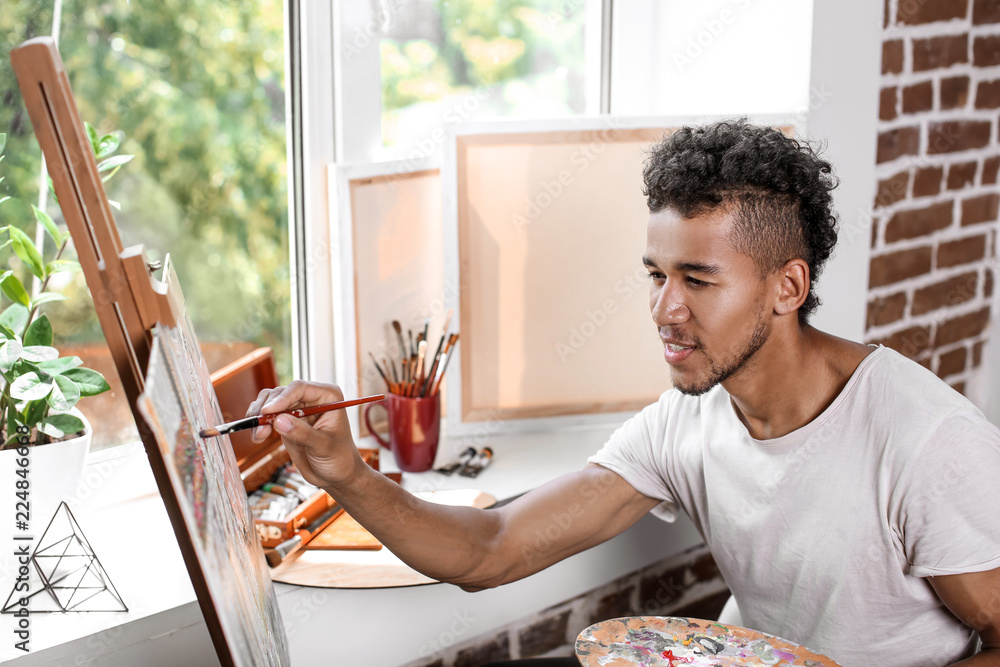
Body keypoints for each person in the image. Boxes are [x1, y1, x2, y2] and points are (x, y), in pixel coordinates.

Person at [248, 120, 1000, 667]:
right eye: (655, 274)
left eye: (697, 280)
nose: (664, 309)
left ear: (787, 286)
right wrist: (346, 472)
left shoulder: (926, 442)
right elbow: (490, 548)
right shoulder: (689, 420)